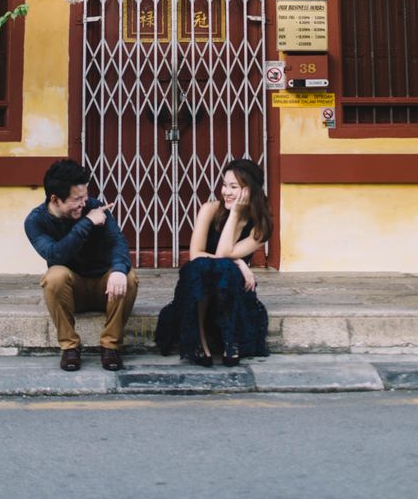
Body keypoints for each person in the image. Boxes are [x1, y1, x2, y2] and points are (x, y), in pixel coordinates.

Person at [24, 159, 138, 372]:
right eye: (77, 199)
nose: (84, 203)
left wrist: (120, 270)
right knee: (54, 276)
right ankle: (70, 347)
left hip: (105, 288)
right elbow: (55, 254)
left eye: (85, 196)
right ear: (55, 199)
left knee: (128, 276)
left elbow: (118, 242)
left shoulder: (94, 206)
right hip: (72, 291)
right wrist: (87, 223)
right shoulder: (36, 221)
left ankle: (110, 346)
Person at [155, 158, 271, 367]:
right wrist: (240, 263)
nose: (226, 191)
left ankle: (230, 339)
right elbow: (196, 254)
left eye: (234, 187)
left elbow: (223, 253)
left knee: (224, 269)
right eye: (224, 185)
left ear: (250, 191)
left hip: (230, 290)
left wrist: (235, 214)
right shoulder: (209, 209)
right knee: (201, 269)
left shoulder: (260, 226)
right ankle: (199, 340)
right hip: (200, 287)